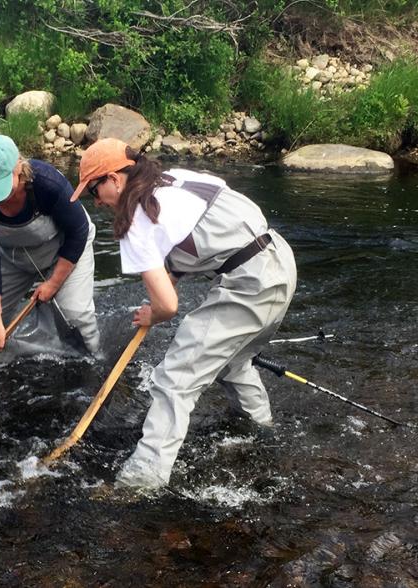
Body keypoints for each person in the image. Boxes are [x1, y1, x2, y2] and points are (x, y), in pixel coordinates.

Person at [71, 138, 297, 490]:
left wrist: (153, 315)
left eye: (94, 191)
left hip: (249, 285)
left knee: (173, 380)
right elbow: (191, 237)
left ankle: (140, 482)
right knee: (234, 363)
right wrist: (169, 282)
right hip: (279, 260)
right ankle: (262, 433)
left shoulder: (136, 220)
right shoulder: (174, 179)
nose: (96, 202)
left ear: (115, 179)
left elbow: (168, 307)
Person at [0, 134, 100, 356]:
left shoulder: (48, 184)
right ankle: (2, 366)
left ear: (19, 168)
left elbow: (78, 232)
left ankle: (93, 361)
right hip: (13, 257)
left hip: (65, 249)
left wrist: (53, 284)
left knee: (75, 316)